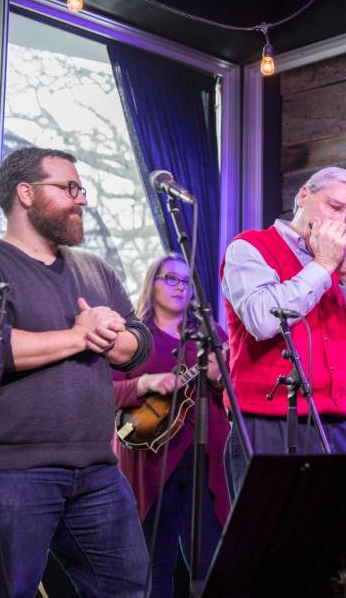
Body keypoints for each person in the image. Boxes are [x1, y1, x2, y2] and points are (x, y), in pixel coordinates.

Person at [0, 147, 152, 597]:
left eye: (81, 188)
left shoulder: (95, 269)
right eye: (68, 187)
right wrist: (79, 336)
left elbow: (138, 343)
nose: (81, 199)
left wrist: (108, 336)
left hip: (98, 469)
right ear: (26, 193)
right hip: (15, 470)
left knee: (127, 587)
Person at [220, 166, 346, 493]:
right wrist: (323, 265)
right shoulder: (249, 247)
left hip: (341, 420)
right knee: (274, 535)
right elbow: (263, 320)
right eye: (335, 207)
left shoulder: (342, 267)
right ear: (303, 196)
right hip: (269, 418)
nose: (341, 221)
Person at [112, 254, 230, 597]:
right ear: (153, 283)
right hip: (152, 460)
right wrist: (145, 383)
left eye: (186, 281)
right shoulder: (133, 337)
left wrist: (218, 377)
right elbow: (106, 390)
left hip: (206, 459)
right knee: (154, 564)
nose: (180, 287)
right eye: (171, 279)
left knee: (210, 560)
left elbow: (231, 394)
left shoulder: (211, 333)